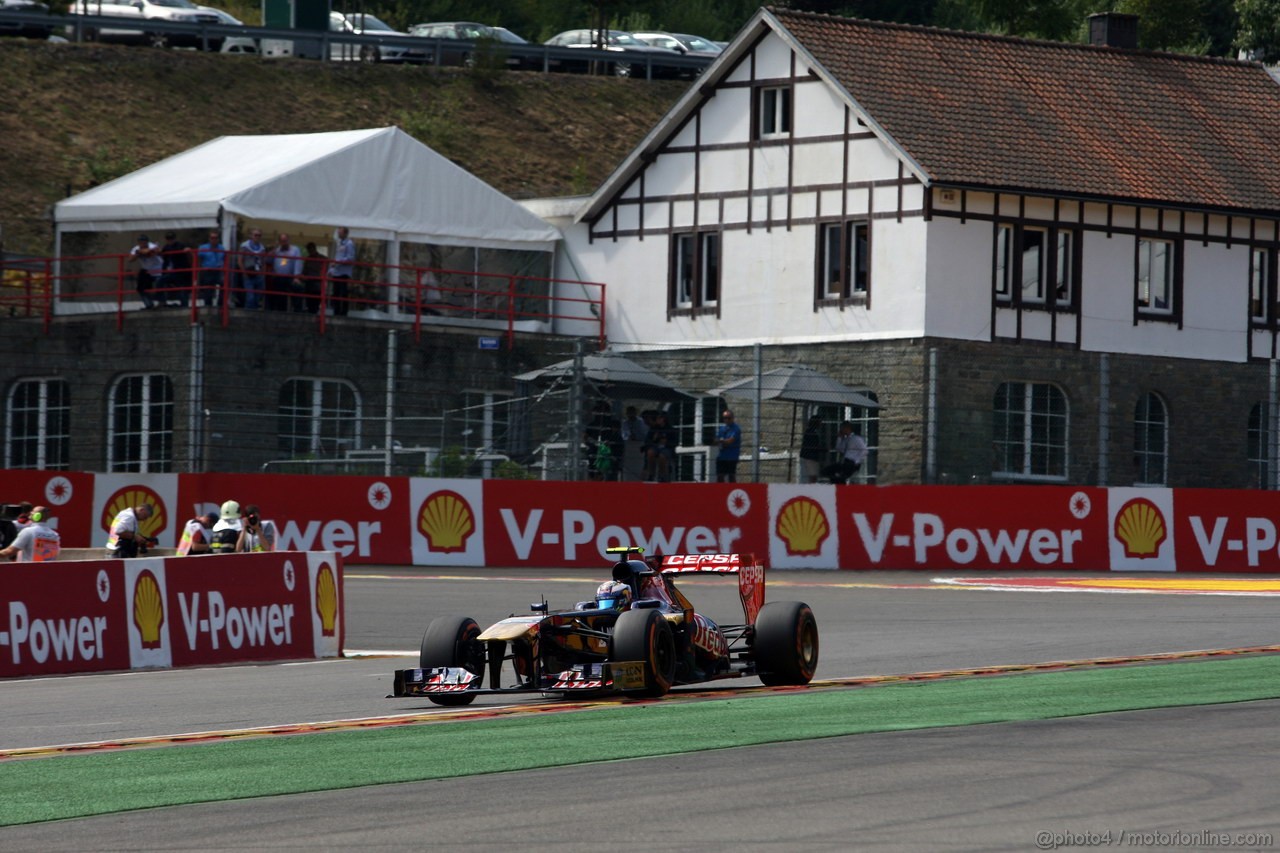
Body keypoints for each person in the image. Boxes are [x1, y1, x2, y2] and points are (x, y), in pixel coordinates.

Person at [267, 233, 302, 312]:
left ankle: (297, 311)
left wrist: (296, 276)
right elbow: (268, 260)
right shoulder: (277, 250)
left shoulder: (295, 249)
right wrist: (274, 249)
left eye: (285, 241)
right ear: (279, 242)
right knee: (280, 296)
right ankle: (281, 311)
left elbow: (298, 262)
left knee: (297, 289)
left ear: (288, 240)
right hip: (278, 277)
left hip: (291, 276)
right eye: (282, 241)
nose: (284, 243)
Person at [158, 231, 192, 307]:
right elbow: (164, 259)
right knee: (160, 280)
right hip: (173, 272)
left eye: (171, 239)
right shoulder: (166, 247)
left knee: (184, 288)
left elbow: (187, 252)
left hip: (183, 272)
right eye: (168, 239)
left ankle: (184, 306)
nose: (170, 240)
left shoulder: (180, 245)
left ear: (174, 239)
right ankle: (162, 301)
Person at [130, 234, 163, 309]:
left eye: (144, 241)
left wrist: (144, 252)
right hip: (146, 269)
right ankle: (149, 304)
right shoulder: (136, 248)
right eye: (140, 241)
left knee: (159, 285)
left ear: (147, 242)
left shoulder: (152, 245)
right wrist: (139, 253)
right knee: (140, 288)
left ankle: (162, 303)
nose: (142, 243)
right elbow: (130, 259)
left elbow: (153, 253)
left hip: (157, 269)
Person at [237, 228, 267, 310]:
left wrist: (263, 274)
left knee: (258, 297)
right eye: (255, 235)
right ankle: (248, 313)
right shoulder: (244, 246)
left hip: (259, 274)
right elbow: (240, 260)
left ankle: (254, 314)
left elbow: (263, 261)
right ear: (251, 236)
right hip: (248, 274)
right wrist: (244, 272)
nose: (257, 237)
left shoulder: (262, 247)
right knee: (250, 296)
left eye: (259, 235)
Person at [195, 230, 226, 308]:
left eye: (216, 238)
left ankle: (220, 305)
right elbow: (198, 259)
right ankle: (208, 306)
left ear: (218, 239)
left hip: (218, 270)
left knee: (224, 285)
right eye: (212, 238)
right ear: (209, 239)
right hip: (207, 271)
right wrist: (200, 270)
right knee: (208, 289)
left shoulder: (221, 248)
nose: (214, 239)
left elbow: (224, 259)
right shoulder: (203, 248)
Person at [645, 411, 677, 482]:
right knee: (650, 452)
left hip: (667, 448)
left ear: (664, 419)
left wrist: (666, 442)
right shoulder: (654, 429)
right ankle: (651, 474)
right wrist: (654, 439)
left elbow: (674, 442)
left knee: (662, 456)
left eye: (659, 418)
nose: (657, 420)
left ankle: (662, 476)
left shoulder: (670, 429)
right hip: (656, 446)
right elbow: (647, 440)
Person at [330, 226, 355, 316]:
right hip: (337, 272)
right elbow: (337, 256)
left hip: (344, 272)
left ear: (345, 233)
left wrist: (338, 262)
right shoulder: (339, 243)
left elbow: (350, 258)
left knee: (343, 293)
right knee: (336, 292)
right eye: (338, 232)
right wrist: (332, 269)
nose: (338, 234)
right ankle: (336, 311)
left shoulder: (349, 244)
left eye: (340, 233)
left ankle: (343, 312)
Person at [620, 405, 648, 481]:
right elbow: (624, 435)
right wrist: (628, 437)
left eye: (632, 412)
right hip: (629, 447)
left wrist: (637, 437)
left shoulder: (641, 422)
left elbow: (644, 434)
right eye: (629, 413)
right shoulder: (625, 423)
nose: (630, 414)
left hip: (639, 446)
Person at [714, 409, 742, 482]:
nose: (726, 420)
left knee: (731, 475)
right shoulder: (722, 429)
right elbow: (715, 440)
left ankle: (732, 490)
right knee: (720, 476)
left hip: (732, 456)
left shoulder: (736, 429)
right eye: (725, 418)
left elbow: (730, 441)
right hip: (722, 456)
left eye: (728, 418)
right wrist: (721, 441)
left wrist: (720, 441)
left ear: (732, 418)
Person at [799, 416, 825, 484]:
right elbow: (813, 446)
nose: (821, 424)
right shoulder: (811, 432)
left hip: (810, 457)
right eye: (819, 422)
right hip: (810, 458)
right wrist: (823, 449)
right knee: (812, 476)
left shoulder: (811, 431)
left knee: (812, 476)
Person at [301, 242, 324, 314]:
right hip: (310, 283)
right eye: (309, 250)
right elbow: (304, 271)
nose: (310, 251)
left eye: (310, 249)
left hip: (317, 283)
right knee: (310, 302)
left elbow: (325, 268)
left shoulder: (322, 258)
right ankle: (311, 312)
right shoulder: (308, 259)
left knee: (315, 302)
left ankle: (314, 313)